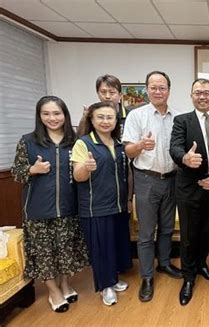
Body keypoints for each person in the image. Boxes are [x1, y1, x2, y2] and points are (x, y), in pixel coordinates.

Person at [11, 96, 89, 313]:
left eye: (57, 113)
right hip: (38, 210)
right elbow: (17, 173)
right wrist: (32, 170)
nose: (52, 118)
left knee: (65, 251)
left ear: (65, 115)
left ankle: (65, 284)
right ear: (39, 116)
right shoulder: (28, 141)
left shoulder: (75, 141)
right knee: (44, 253)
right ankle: (53, 291)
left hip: (68, 207)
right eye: (46, 114)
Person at [122, 71, 182, 303]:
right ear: (147, 89)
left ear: (169, 90)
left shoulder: (178, 117)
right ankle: (147, 277)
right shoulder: (136, 116)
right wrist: (140, 145)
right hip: (146, 179)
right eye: (153, 87)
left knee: (167, 228)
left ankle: (164, 264)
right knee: (146, 233)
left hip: (172, 179)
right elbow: (127, 151)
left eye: (162, 87)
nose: (158, 91)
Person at [169, 78, 209, 306]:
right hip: (188, 188)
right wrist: (185, 157)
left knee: (206, 231)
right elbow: (174, 147)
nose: (202, 96)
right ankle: (188, 277)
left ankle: (203, 265)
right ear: (191, 96)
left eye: (207, 92)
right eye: (198, 92)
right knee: (188, 235)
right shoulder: (182, 121)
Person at [71, 101, 129, 306]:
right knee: (101, 248)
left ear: (116, 120)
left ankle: (113, 279)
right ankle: (106, 287)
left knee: (113, 244)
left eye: (109, 117)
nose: (105, 121)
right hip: (95, 207)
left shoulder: (119, 144)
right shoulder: (83, 143)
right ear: (92, 120)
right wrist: (86, 167)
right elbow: (78, 176)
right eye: (100, 117)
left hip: (118, 205)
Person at [78, 74, 133, 282]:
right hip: (97, 191)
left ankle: (117, 272)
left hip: (122, 185)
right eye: (103, 92)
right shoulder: (89, 125)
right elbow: (81, 151)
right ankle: (106, 280)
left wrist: (130, 195)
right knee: (102, 238)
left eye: (112, 92)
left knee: (118, 233)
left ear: (120, 95)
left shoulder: (130, 118)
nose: (108, 96)